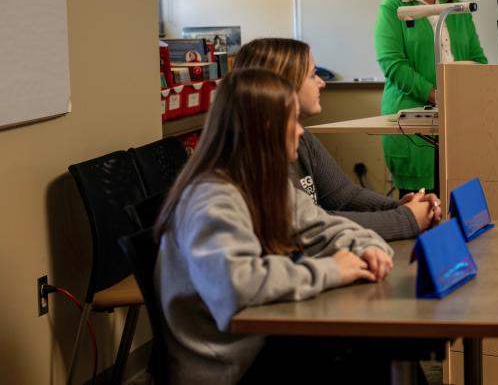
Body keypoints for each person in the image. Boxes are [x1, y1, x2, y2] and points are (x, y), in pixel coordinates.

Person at [154, 68, 395, 384]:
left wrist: (367, 246)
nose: (301, 132)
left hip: (259, 342)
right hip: (229, 367)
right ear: (267, 128)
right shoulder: (211, 199)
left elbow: (325, 225)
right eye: (293, 121)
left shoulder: (263, 182)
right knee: (370, 355)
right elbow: (237, 287)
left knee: (373, 349)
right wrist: (331, 271)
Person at [234, 38, 441, 241]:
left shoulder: (302, 137)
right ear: (282, 84)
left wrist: (403, 206)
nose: (322, 83)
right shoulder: (255, 156)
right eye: (313, 75)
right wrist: (407, 218)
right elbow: (312, 225)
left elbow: (343, 196)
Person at [374, 0, 487, 195]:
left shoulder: (456, 7)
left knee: (460, 205)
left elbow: (477, 58)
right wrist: (436, 95)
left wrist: (472, 93)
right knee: (425, 211)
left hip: (458, 117)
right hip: (413, 124)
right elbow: (393, 64)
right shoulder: (393, 7)